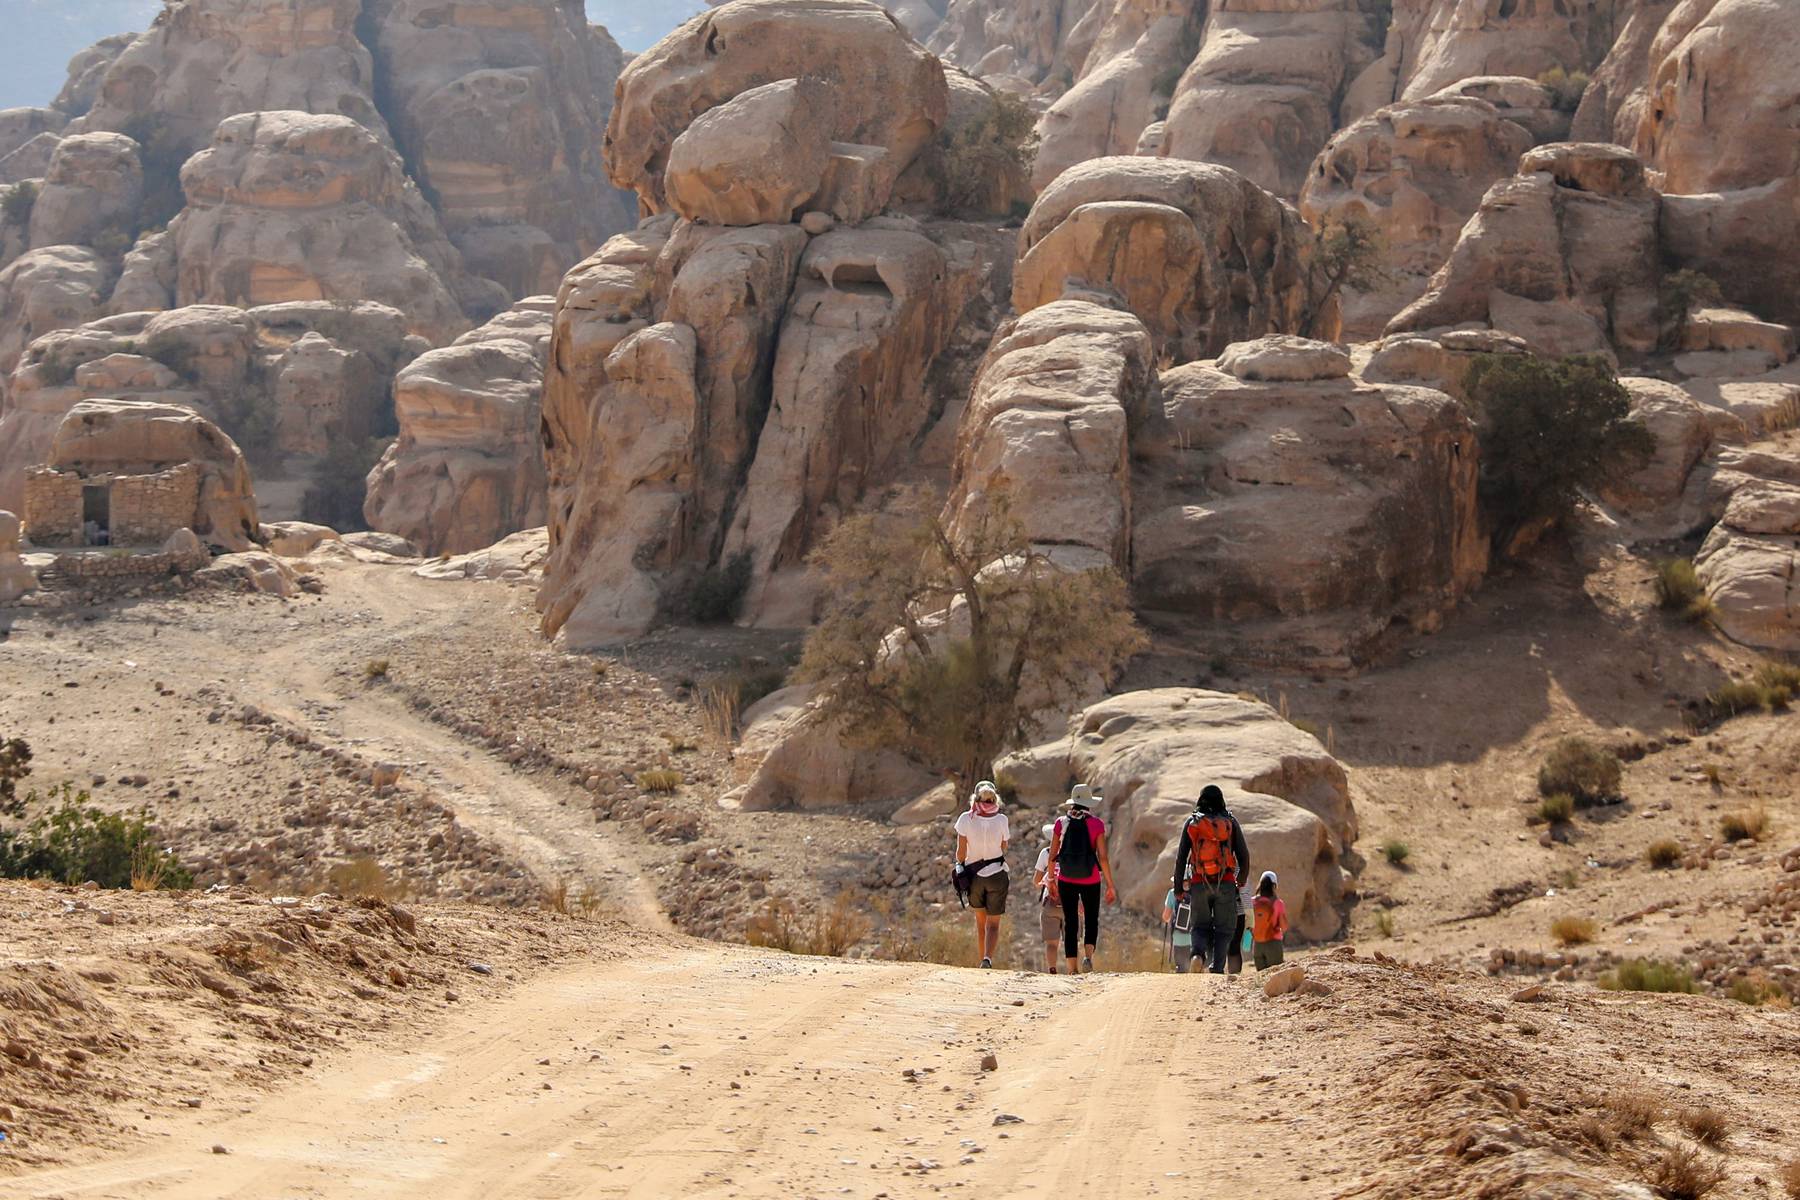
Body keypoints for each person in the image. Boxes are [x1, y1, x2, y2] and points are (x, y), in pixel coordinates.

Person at [1172, 784, 1251, 974]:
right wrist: (1240, 880)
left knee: (1199, 925)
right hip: (1225, 882)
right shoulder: (1230, 821)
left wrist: (1178, 888)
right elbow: (1244, 855)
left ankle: (1197, 956)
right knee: (1224, 929)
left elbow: (1181, 857)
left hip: (1199, 882)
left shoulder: (1193, 822)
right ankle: (1217, 967)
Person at [1046, 783, 1116, 974]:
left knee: (1070, 922)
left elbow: (1053, 854)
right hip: (1091, 878)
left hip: (1066, 878)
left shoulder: (1061, 822)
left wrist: (1051, 879)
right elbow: (1103, 857)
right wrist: (1110, 885)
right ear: (1088, 804)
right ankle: (1088, 957)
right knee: (1091, 919)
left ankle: (1071, 969)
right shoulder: (1096, 824)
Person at [953, 780, 1009, 968]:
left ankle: (981, 961)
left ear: (974, 798)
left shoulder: (964, 819)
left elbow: (960, 853)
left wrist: (961, 865)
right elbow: (1004, 847)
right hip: (998, 875)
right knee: (993, 924)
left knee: (980, 923)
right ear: (995, 799)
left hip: (975, 878)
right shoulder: (1002, 820)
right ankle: (987, 959)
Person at [1032, 823, 1062, 973]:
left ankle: (1052, 970)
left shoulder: (1046, 852)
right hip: (1072, 901)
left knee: (1051, 943)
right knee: (1071, 941)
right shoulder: (1075, 852)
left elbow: (1036, 881)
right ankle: (1073, 971)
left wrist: (1046, 882)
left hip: (1050, 901)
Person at [1252, 870, 1288, 970]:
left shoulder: (1252, 902)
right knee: (1276, 977)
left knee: (1262, 978)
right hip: (1273, 944)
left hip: (1257, 946)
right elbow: (1284, 927)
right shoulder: (1278, 903)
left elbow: (1247, 925)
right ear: (1274, 885)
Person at [1161, 885, 1195, 973]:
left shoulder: (1173, 893)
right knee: (1191, 965)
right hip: (1194, 936)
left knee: (1181, 967)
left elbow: (1166, 916)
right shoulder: (1197, 891)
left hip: (1178, 936)